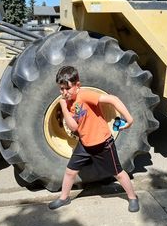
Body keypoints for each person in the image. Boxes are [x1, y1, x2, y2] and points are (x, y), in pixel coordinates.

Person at [48, 66, 140, 212]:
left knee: (118, 173)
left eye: (68, 88)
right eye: (61, 89)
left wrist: (129, 119)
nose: (64, 93)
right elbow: (73, 127)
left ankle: (133, 197)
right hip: (85, 144)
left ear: (77, 85)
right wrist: (64, 107)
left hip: (103, 144)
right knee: (70, 171)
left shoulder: (84, 95)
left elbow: (113, 99)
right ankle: (64, 198)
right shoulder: (67, 102)